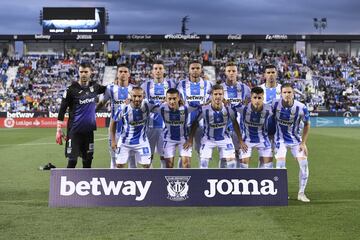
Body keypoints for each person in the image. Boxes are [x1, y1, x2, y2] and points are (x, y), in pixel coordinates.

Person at [56, 62, 106, 168]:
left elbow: (110, 90)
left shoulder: (95, 87)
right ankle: (68, 183)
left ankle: (86, 183)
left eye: (86, 72)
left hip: (88, 132)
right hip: (74, 132)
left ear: (90, 72)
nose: (83, 74)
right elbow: (62, 110)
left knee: (87, 161)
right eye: (81, 72)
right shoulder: (71, 90)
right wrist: (58, 130)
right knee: (72, 161)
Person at [184, 84, 245, 168]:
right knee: (203, 164)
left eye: (220, 94)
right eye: (215, 94)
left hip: (224, 138)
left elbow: (235, 123)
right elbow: (195, 123)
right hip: (208, 139)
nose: (218, 96)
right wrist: (190, 139)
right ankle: (203, 180)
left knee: (232, 164)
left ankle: (223, 178)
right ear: (211, 96)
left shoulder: (229, 109)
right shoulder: (204, 109)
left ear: (223, 96)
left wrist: (240, 141)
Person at [272, 83, 311, 202]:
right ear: (281, 93)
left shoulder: (301, 107)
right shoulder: (274, 104)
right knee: (280, 166)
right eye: (284, 92)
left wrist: (303, 142)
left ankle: (301, 193)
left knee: (304, 165)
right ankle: (281, 193)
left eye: (289, 92)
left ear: (293, 94)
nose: (287, 95)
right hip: (280, 140)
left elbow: (307, 124)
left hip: (296, 141)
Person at [96, 64, 136, 168]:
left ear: (129, 74)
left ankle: (133, 182)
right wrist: (91, 113)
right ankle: (114, 181)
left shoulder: (134, 90)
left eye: (125, 72)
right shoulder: (110, 88)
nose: (123, 74)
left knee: (132, 160)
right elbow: (102, 103)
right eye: (120, 71)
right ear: (117, 74)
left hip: (130, 130)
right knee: (114, 159)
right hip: (114, 129)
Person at [110, 87, 156, 168]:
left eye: (139, 96)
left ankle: (148, 180)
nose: (137, 99)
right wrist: (113, 141)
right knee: (119, 165)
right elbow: (113, 122)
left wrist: (178, 103)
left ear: (143, 96)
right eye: (134, 96)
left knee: (147, 165)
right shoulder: (124, 107)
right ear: (130, 96)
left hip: (142, 141)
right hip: (125, 142)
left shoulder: (148, 105)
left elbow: (163, 106)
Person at [152, 88, 198, 168]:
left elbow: (196, 119)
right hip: (168, 138)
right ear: (166, 99)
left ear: (179, 98)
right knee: (169, 165)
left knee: (186, 164)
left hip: (184, 138)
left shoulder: (186, 107)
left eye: (174, 98)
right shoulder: (162, 108)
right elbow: (147, 107)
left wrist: (190, 139)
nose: (172, 101)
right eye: (169, 99)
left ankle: (186, 180)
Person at [177, 60, 212, 167]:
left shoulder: (208, 84)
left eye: (197, 68)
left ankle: (201, 180)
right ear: (189, 70)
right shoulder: (181, 84)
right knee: (184, 158)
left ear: (201, 70)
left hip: (203, 125)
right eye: (193, 68)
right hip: (186, 125)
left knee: (203, 157)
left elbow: (212, 100)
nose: (195, 70)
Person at [141, 60, 174, 167]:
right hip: (148, 127)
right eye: (155, 69)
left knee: (166, 160)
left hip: (166, 128)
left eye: (160, 68)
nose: (158, 71)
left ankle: (163, 182)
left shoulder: (171, 84)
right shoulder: (145, 85)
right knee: (147, 160)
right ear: (152, 71)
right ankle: (150, 182)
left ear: (164, 70)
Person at [221, 62, 251, 168]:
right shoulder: (220, 88)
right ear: (225, 72)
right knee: (226, 157)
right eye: (229, 71)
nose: (231, 73)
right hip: (225, 129)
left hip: (241, 128)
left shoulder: (245, 89)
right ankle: (223, 179)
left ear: (237, 72)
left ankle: (238, 179)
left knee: (240, 155)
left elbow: (249, 106)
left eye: (233, 71)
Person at [235, 87, 273, 168]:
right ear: (251, 98)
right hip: (247, 140)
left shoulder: (269, 109)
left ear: (263, 98)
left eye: (259, 98)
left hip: (263, 140)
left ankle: (262, 178)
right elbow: (233, 119)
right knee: (243, 165)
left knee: (268, 165)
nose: (257, 100)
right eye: (255, 97)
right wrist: (240, 141)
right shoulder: (243, 108)